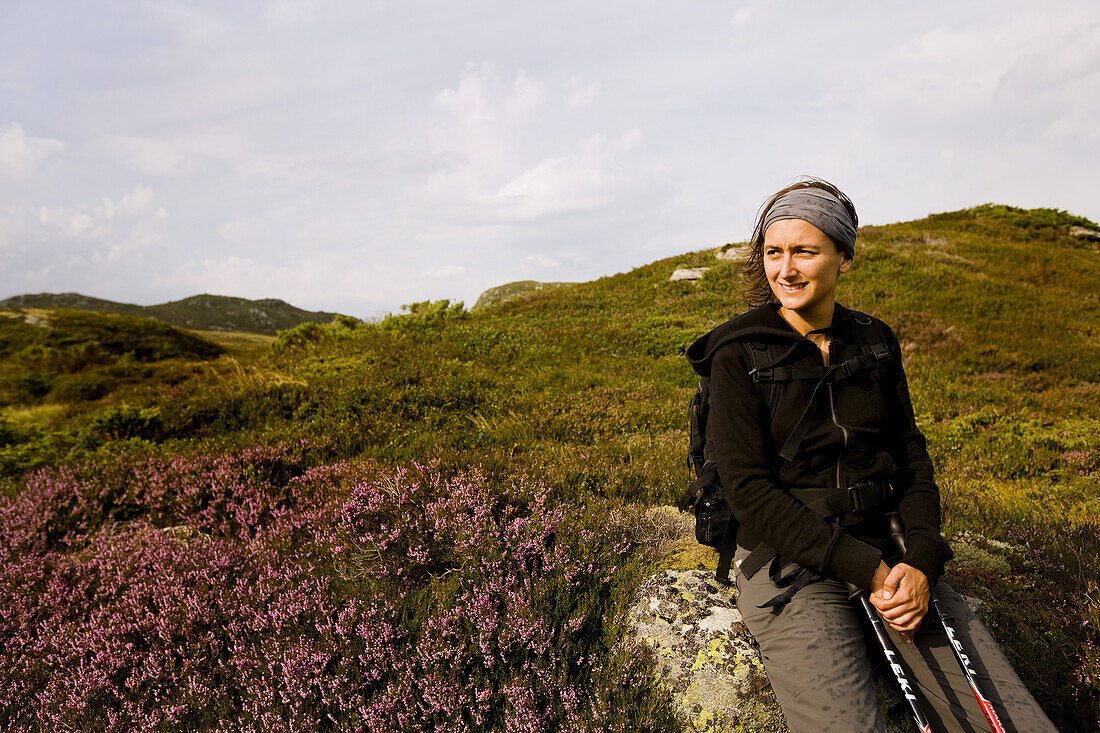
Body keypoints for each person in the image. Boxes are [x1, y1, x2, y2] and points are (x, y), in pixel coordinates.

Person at [685, 179, 1057, 732]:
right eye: (773, 252)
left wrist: (924, 561)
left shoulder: (874, 341)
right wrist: (871, 571)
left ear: (844, 257)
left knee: (1017, 724)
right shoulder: (736, 353)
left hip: (891, 551)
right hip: (790, 566)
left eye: (804, 251)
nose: (785, 269)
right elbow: (751, 493)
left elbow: (911, 459)